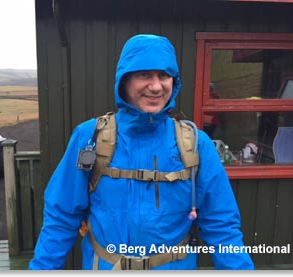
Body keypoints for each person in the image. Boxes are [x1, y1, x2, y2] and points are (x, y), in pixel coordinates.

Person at [28, 34, 254, 270]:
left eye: (164, 75)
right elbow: (61, 217)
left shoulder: (196, 144)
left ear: (173, 82)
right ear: (124, 81)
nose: (156, 86)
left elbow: (222, 226)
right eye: (144, 74)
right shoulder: (89, 138)